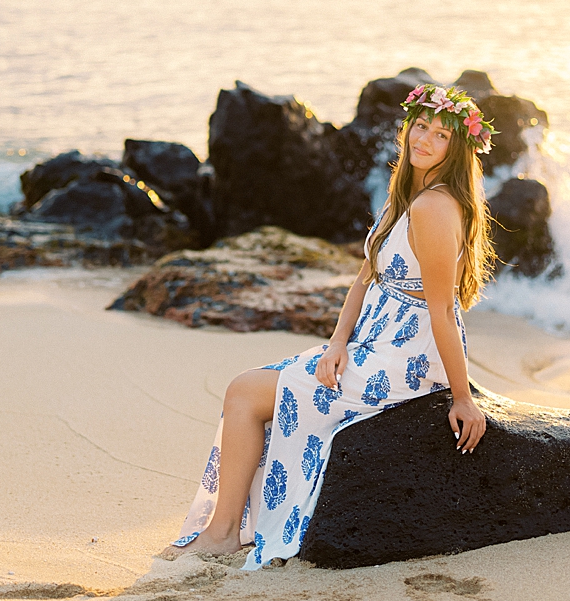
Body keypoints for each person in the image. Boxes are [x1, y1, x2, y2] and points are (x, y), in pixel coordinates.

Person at [166, 83, 500, 569]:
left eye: (441, 135)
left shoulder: (433, 208)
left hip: (404, 355)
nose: (423, 140)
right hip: (373, 337)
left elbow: (443, 311)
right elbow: (364, 280)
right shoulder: (408, 197)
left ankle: (223, 533)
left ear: (457, 149)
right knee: (247, 391)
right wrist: (336, 343)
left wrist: (462, 396)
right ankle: (226, 529)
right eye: (420, 127)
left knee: (244, 391)